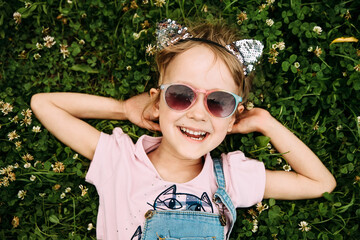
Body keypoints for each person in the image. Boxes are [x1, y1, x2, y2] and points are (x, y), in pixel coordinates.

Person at [31, 19, 336, 240]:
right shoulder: (119, 160)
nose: (198, 113)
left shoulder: (230, 178)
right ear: (158, 102)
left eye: (218, 102)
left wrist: (266, 122)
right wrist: (123, 109)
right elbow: (44, 104)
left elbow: (320, 182)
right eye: (180, 95)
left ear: (233, 117)